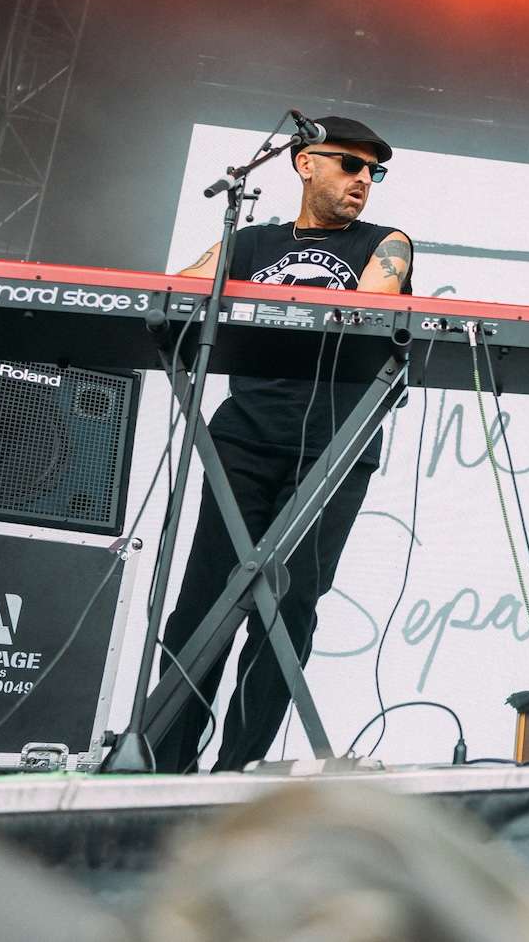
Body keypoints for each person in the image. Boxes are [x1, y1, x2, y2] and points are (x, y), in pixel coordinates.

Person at [157, 116, 413, 772]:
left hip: (336, 444)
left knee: (289, 603)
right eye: (350, 164)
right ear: (305, 163)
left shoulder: (385, 242)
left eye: (374, 171)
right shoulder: (250, 242)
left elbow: (369, 306)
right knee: (202, 601)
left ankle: (236, 771)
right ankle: (166, 766)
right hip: (243, 437)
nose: (364, 180)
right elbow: (178, 290)